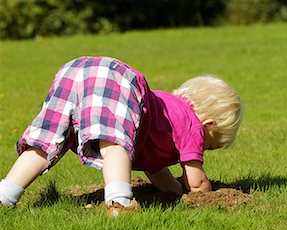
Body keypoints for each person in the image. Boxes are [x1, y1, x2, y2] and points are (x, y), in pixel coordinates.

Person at [0, 56, 242, 214]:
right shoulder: (192, 125)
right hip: (117, 78)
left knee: (49, 139)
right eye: (209, 146)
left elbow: (157, 171)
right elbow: (197, 184)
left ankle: (5, 194)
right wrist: (207, 193)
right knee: (115, 142)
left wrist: (173, 190)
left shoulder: (166, 113)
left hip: (75, 70)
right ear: (207, 125)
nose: (200, 148)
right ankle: (120, 202)